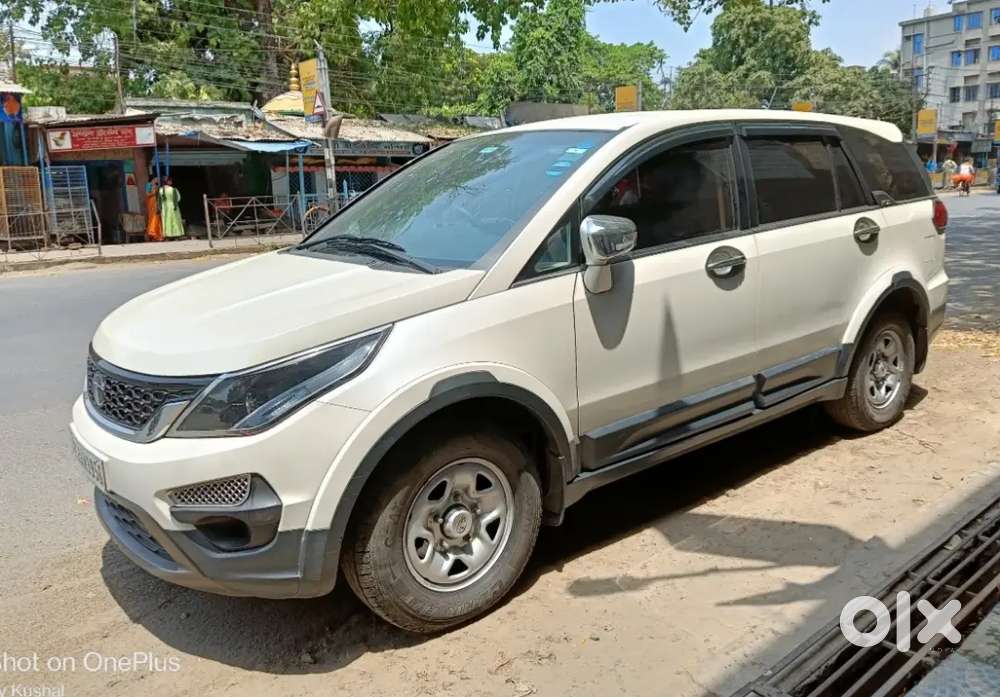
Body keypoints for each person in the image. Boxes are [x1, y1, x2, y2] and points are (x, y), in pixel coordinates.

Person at [145, 178, 162, 242]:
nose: (157, 180)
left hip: (156, 204)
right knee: (153, 218)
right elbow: (147, 194)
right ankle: (152, 234)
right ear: (152, 179)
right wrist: (153, 192)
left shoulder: (157, 186)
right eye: (156, 179)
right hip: (151, 203)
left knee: (157, 219)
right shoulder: (149, 185)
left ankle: (157, 236)